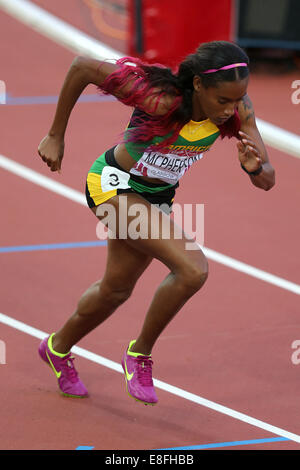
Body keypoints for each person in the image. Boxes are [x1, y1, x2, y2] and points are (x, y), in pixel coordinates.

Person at [37, 41, 275, 405]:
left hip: (156, 197)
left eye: (237, 100)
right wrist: (56, 135)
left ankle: (56, 347)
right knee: (192, 269)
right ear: (197, 85)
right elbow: (83, 66)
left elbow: (268, 180)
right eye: (222, 101)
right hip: (114, 185)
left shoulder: (239, 108)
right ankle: (139, 354)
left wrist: (255, 166)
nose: (230, 110)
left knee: (115, 291)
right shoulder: (160, 99)